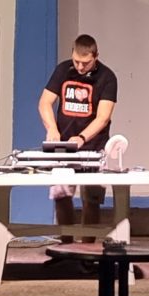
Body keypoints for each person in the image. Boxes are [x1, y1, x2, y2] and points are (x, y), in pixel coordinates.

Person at [38, 33, 118, 241]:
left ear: (96, 56)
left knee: (91, 198)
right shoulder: (63, 70)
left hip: (93, 147)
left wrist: (82, 137)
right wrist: (52, 128)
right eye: (76, 61)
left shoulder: (107, 77)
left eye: (86, 63)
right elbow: (45, 102)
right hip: (64, 147)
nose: (80, 67)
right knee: (61, 195)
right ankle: (65, 245)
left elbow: (103, 117)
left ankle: (88, 247)